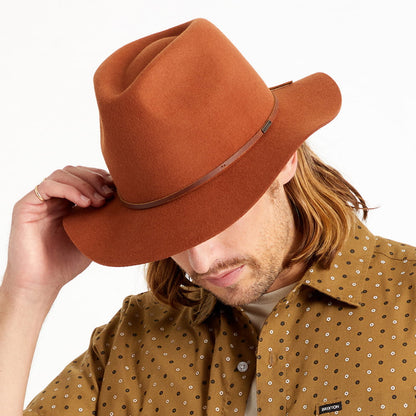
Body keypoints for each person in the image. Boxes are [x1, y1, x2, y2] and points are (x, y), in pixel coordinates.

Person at [1, 18, 415, 416]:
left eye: (217, 215)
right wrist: (26, 293)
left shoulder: (406, 303)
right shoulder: (130, 342)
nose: (200, 262)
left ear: (284, 160)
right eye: (169, 231)